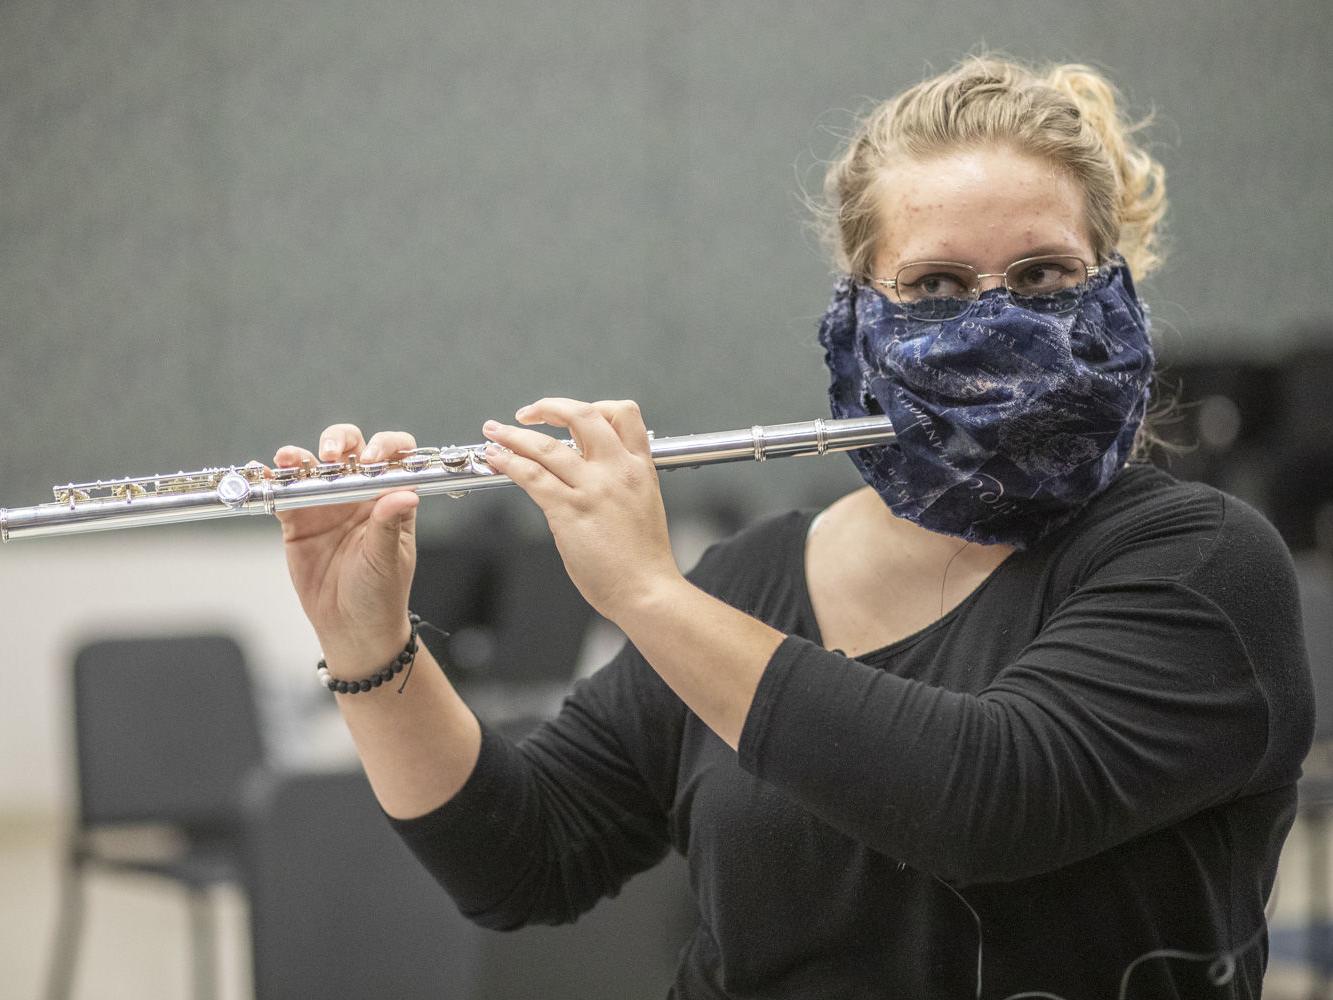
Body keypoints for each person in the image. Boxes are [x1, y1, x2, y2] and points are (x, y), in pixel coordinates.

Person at [272, 54, 1314, 999]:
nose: (994, 319)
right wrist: (368, 642)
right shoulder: (753, 581)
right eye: (936, 286)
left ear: (1115, 290)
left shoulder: (1200, 564)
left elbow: (984, 800)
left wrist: (644, 589)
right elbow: (522, 857)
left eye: (1041, 276)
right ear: (857, 320)